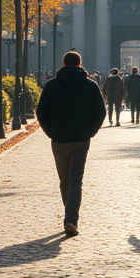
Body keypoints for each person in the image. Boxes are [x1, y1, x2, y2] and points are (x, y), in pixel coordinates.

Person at [35, 50, 107, 237]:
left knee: (64, 180)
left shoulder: (51, 85)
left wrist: (50, 132)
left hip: (58, 138)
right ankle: (70, 219)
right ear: (80, 64)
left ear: (63, 64)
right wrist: (90, 132)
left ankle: (69, 216)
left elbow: (41, 112)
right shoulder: (90, 86)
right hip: (81, 139)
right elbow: (101, 112)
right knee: (76, 180)